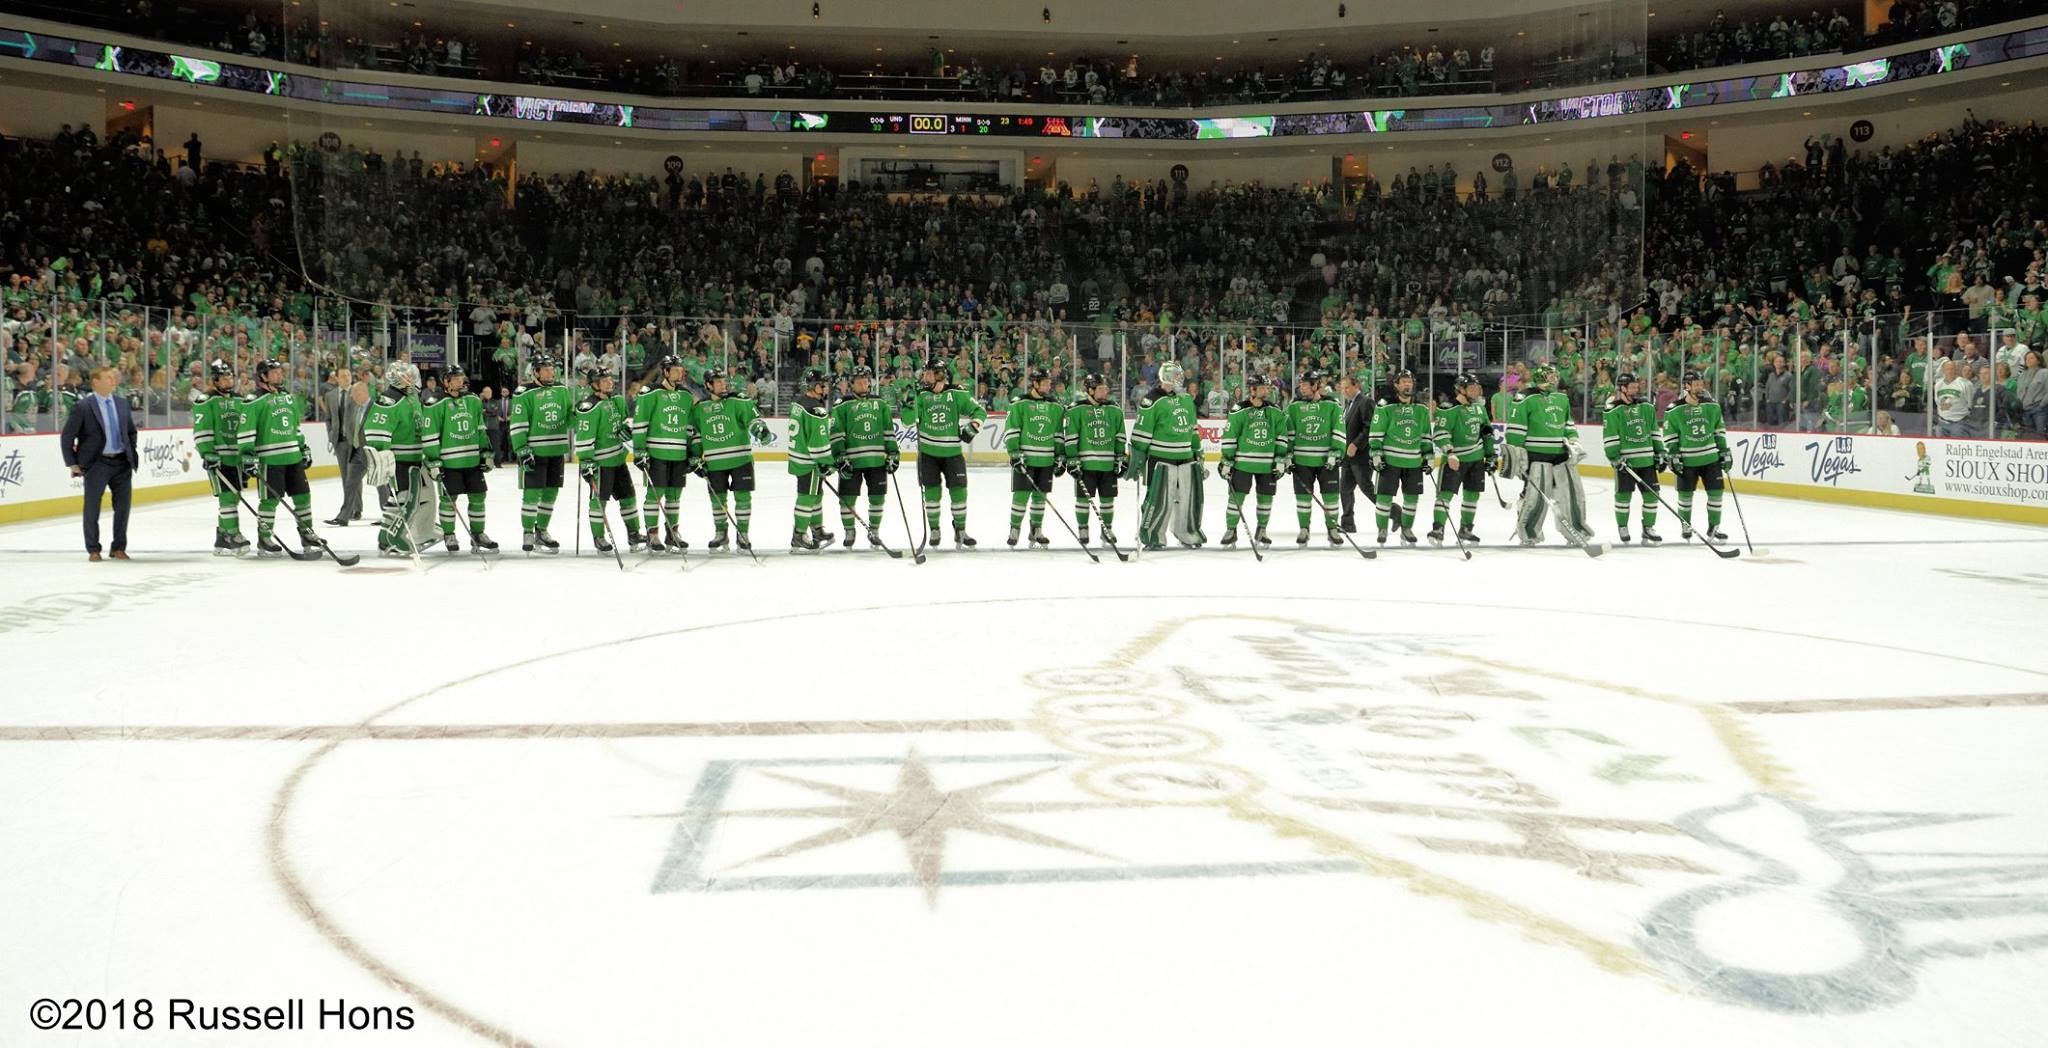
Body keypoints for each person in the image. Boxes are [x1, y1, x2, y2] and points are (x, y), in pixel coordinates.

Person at [237, 358, 323, 557]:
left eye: (279, 371)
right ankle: (265, 539)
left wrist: (303, 448)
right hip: (270, 459)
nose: (279, 374)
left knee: (303, 497)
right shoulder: (253, 401)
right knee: (270, 501)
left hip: (292, 456)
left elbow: (295, 427)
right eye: (273, 372)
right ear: (262, 376)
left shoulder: (288, 398)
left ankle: (307, 534)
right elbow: (245, 432)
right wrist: (248, 456)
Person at [1507, 363, 1595, 548]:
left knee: (1572, 494)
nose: (1555, 379)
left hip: (1560, 455)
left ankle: (1576, 531)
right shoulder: (1524, 397)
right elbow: (1516, 430)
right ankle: (1529, 533)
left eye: (1556, 376)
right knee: (1535, 498)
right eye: (1551, 376)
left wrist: (1573, 440)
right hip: (1536, 455)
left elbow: (1568, 423)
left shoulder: (1561, 398)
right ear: (1541, 378)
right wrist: (1517, 454)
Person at [59, 364, 139, 561]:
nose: (114, 381)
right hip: (97, 464)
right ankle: (93, 548)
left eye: (114, 378)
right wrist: (73, 463)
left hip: (122, 462)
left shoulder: (121, 403)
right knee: (92, 507)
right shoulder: (83, 407)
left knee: (123, 508)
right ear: (96, 382)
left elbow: (130, 431)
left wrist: (130, 452)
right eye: (109, 378)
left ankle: (118, 547)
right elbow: (67, 437)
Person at [691, 368, 771, 551]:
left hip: (740, 459)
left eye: (723, 381)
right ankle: (721, 533)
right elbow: (695, 434)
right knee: (717, 500)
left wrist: (760, 430)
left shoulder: (739, 400)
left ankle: (743, 534)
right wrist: (695, 457)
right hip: (714, 462)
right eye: (718, 381)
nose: (723, 384)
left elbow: (753, 420)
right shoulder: (700, 408)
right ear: (708, 385)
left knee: (743, 498)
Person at [911, 357, 987, 549]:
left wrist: (973, 427)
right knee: (932, 494)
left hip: (952, 454)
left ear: (940, 374)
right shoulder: (920, 395)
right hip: (928, 454)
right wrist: (906, 402)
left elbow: (979, 411)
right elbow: (906, 419)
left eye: (929, 372)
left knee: (959, 493)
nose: (925, 376)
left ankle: (960, 530)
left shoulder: (957, 393)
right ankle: (935, 529)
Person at [1129, 360, 1206, 551]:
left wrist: (1197, 451)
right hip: (1161, 458)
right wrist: (1137, 456)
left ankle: (1187, 533)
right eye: (1176, 375)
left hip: (1186, 456)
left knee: (1187, 498)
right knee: (1159, 499)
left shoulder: (1186, 399)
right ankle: (1153, 535)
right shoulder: (1151, 400)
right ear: (1166, 377)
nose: (1179, 379)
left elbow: (1193, 429)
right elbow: (1142, 431)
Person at [364, 362, 434, 557]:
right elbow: (376, 428)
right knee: (404, 499)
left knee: (409, 499)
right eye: (407, 376)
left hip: (414, 457)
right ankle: (390, 539)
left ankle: (392, 537)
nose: (412, 380)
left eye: (412, 376)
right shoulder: (389, 400)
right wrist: (382, 454)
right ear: (396, 379)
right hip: (400, 459)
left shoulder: (411, 398)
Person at [629, 354, 698, 553]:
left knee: (674, 496)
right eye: (675, 370)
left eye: (681, 369)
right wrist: (640, 451)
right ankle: (652, 535)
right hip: (656, 454)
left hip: (679, 455)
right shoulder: (650, 393)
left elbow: (690, 426)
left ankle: (672, 533)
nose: (680, 373)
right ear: (665, 372)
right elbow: (640, 424)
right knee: (655, 496)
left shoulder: (686, 395)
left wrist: (693, 452)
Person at [425, 368, 497, 554]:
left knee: (478, 497)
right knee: (449, 500)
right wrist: (433, 461)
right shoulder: (435, 403)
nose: (460, 381)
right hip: (449, 464)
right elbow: (430, 435)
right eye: (455, 379)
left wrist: (486, 453)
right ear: (446, 382)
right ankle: (449, 534)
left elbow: (480, 428)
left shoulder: (473, 400)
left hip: (472, 460)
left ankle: (478, 535)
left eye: (461, 378)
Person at [510, 351, 575, 553]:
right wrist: (522, 449)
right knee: (532, 494)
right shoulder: (524, 393)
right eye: (545, 369)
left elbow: (569, 418)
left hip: (556, 450)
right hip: (534, 452)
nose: (550, 372)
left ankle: (542, 530)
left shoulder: (562, 390)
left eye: (552, 368)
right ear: (535, 372)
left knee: (550, 493)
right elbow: (518, 424)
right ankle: (528, 531)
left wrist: (582, 415)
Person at [572, 370, 643, 553]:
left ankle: (634, 534)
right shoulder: (588, 407)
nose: (609, 383)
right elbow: (584, 438)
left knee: (628, 498)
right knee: (599, 502)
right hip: (600, 464)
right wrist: (586, 461)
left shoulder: (618, 400)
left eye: (610, 379)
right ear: (594, 384)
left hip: (619, 460)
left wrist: (627, 428)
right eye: (604, 380)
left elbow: (627, 420)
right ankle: (599, 537)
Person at [829, 364, 897, 549]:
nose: (862, 384)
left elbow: (888, 431)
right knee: (847, 498)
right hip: (851, 461)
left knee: (877, 497)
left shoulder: (880, 403)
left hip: (876, 461)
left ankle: (874, 531)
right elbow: (836, 434)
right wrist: (840, 457)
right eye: (858, 381)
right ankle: (849, 531)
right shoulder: (842, 405)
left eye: (865, 381)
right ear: (852, 384)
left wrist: (893, 453)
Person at [1663, 369, 1732, 542]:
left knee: (1716, 493)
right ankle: (1685, 524)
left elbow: (1719, 430)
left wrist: (1724, 450)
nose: (1700, 387)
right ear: (1686, 386)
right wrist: (1673, 454)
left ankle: (1714, 528)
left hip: (1711, 458)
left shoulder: (1712, 405)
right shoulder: (1674, 410)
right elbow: (1670, 435)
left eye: (1702, 384)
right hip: (1687, 460)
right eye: (1696, 384)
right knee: (1685, 495)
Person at [1219, 373, 1288, 547]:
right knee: (1236, 499)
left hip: (1267, 465)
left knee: (1266, 499)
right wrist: (1227, 460)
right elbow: (1230, 437)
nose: (1267, 390)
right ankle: (1231, 530)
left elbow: (1281, 436)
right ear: (1252, 389)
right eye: (1263, 387)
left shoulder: (1275, 411)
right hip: (1243, 463)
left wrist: (1281, 458)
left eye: (1268, 387)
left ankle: (1262, 530)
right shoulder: (1239, 410)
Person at [190, 358, 250, 556]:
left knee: (235, 496)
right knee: (227, 496)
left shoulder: (240, 400)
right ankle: (233, 534)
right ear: (215, 380)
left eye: (230, 376)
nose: (228, 380)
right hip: (220, 457)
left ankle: (222, 537)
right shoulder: (206, 400)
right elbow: (201, 429)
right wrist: (208, 452)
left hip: (237, 458)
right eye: (223, 377)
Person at [1429, 373, 1494, 546]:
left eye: (1476, 387)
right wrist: (1449, 452)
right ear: (1461, 389)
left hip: (1476, 459)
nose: (1475, 390)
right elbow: (1440, 433)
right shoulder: (1448, 408)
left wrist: (1490, 455)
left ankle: (1466, 530)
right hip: (1455, 458)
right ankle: (1438, 529)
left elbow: (1487, 431)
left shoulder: (1479, 407)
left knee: (1472, 496)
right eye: (1471, 387)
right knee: (1445, 495)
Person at [1368, 369, 1431, 545]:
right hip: (1390, 460)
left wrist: (1428, 456)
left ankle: (1406, 529)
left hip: (1413, 461)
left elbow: (1426, 435)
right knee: (1384, 497)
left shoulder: (1421, 408)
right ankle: (1382, 529)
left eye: (1409, 381)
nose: (1407, 384)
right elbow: (1376, 432)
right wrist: (1375, 453)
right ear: (1396, 385)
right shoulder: (1385, 405)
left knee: (1412, 498)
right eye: (1403, 381)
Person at [1004, 367, 1065, 548]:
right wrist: (1014, 452)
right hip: (1026, 459)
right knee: (1021, 496)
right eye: (1044, 383)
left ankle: (1036, 530)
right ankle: (1014, 529)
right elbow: (1012, 429)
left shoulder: (1055, 406)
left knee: (1040, 498)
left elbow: (1057, 434)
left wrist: (1060, 455)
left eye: (1049, 383)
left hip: (1045, 460)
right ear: (1035, 384)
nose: (1048, 386)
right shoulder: (1019, 403)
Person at [1601, 372, 1664, 544]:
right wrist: (1614, 457)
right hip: (1626, 463)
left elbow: (1654, 431)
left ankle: (1648, 528)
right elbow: (1610, 436)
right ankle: (1623, 526)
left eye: (1637, 386)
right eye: (1632, 387)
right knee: (1623, 496)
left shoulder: (1646, 407)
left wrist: (1661, 452)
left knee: (1652, 495)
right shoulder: (1613, 410)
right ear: (1622, 388)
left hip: (1647, 461)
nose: (1636, 389)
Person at [1284, 369, 1343, 546]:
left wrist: (1336, 452)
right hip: (1302, 461)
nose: (1301, 388)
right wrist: (1288, 454)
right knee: (1303, 499)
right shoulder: (1294, 407)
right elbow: (1289, 433)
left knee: (1331, 498)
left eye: (1304, 385)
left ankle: (1332, 529)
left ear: (1316, 385)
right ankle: (1304, 529)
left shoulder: (1332, 405)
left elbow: (1339, 430)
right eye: (1300, 385)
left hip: (1327, 462)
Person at [787, 366, 836, 552]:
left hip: (798, 457)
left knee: (816, 494)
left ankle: (816, 530)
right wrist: (829, 464)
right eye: (821, 385)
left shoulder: (799, 403)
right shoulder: (816, 410)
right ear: (812, 386)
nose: (825, 389)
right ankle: (798, 535)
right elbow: (818, 444)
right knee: (807, 497)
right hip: (810, 461)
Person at [328, 374, 372, 526]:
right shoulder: (355, 407)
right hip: (356, 451)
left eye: (354, 393)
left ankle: (389, 516)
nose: (351, 396)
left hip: (371, 452)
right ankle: (343, 516)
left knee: (382, 486)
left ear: (362, 392)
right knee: (350, 483)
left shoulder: (376, 407)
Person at [1339, 375, 1373, 533]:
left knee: (1367, 489)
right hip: (1347, 458)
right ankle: (1348, 523)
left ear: (1356, 386)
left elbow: (1369, 428)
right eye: (1342, 388)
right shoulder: (1348, 405)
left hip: (1361, 457)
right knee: (1345, 490)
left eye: (1347, 387)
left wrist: (1356, 444)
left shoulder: (1365, 402)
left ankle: (1394, 513)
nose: (1344, 391)